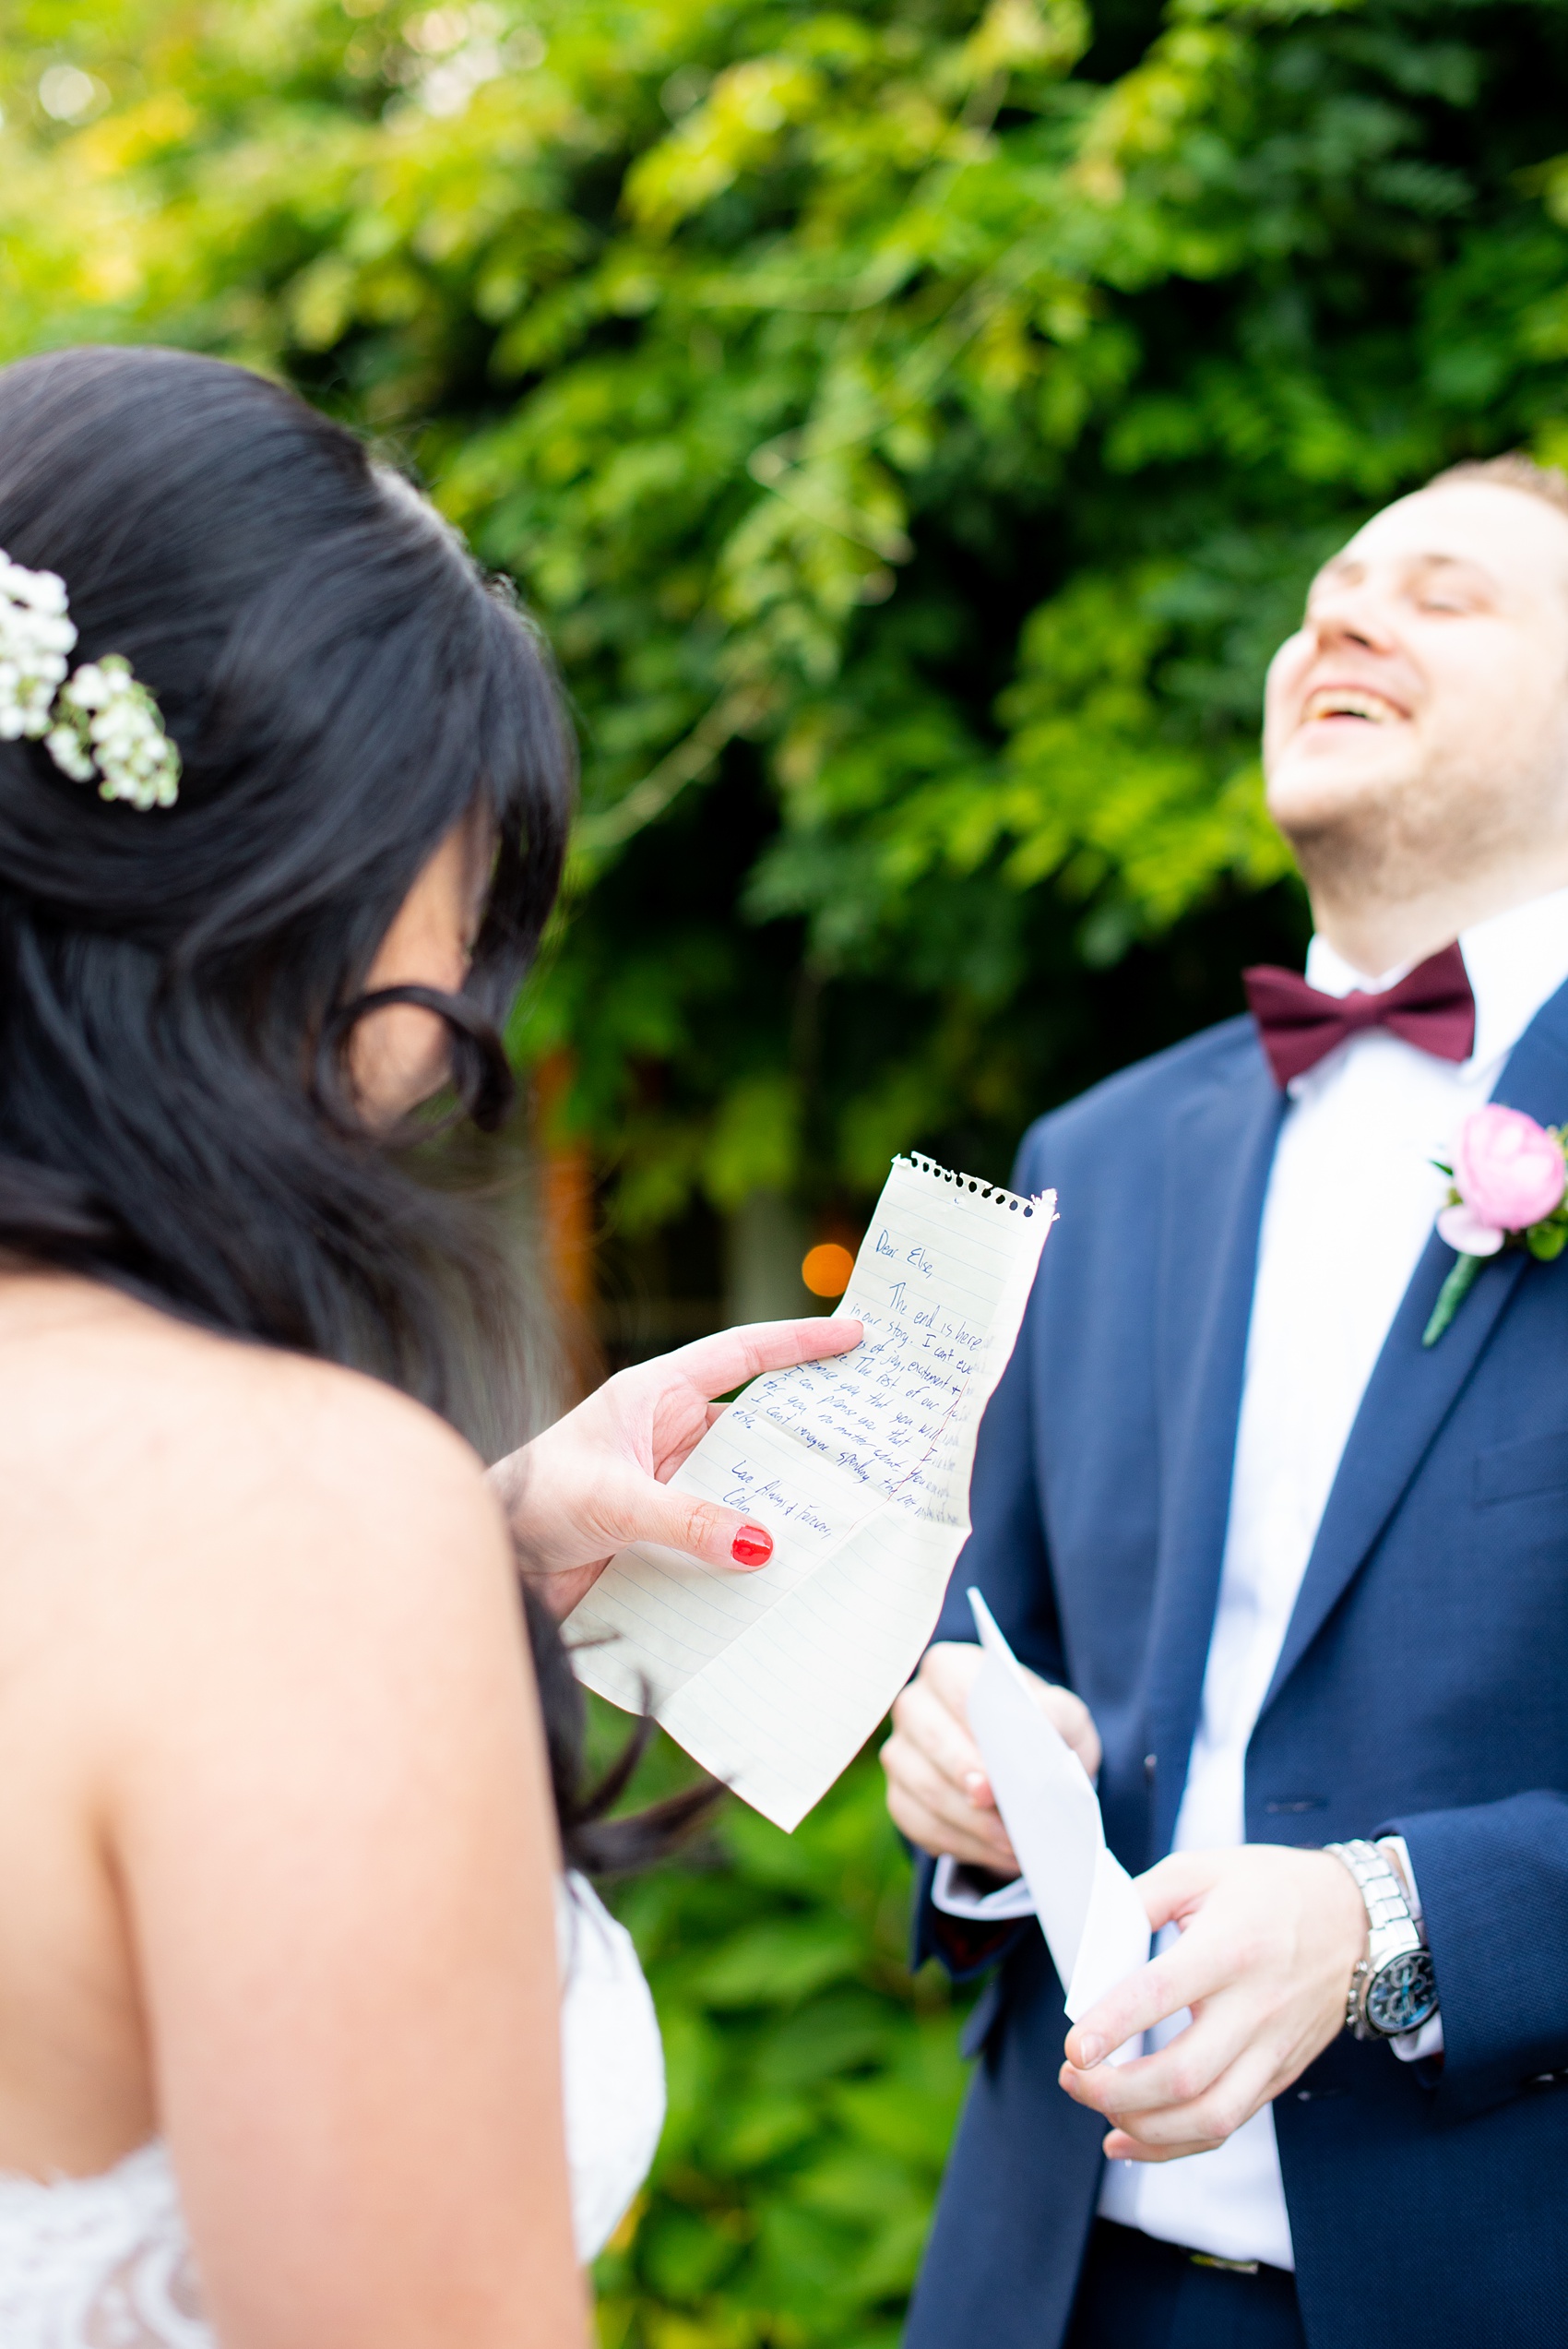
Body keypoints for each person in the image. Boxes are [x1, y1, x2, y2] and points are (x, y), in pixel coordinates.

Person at [0, 343, 858, 2349]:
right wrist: (375, 1555)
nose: (451, 1012)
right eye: (462, 902)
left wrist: (472, 1538)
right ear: (296, 889)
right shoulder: (284, 1523)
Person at [885, 452, 1568, 2348]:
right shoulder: (1089, 1154)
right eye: (1329, 589)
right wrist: (958, 1784)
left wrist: (1384, 1924)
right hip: (1050, 2291)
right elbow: (977, 1639)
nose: (1336, 616)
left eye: (1443, 591)